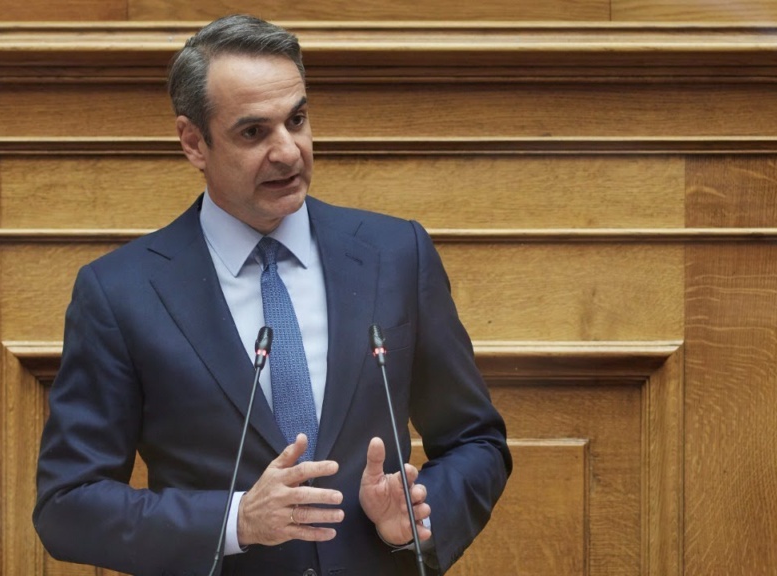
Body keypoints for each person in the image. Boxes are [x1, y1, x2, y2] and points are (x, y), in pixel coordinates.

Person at [33, 15, 511, 576]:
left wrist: (417, 517)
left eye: (297, 120)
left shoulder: (396, 255)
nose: (287, 152)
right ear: (194, 142)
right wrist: (236, 521)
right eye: (253, 133)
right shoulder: (121, 293)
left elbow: (476, 440)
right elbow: (68, 505)